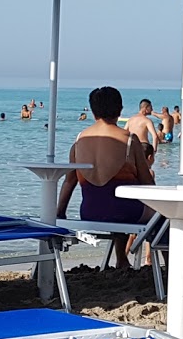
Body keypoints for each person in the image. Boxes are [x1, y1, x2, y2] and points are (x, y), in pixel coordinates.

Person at [57, 86, 155, 267]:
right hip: (126, 213)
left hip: (90, 212)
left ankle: (122, 258)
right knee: (163, 216)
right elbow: (146, 182)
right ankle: (166, 268)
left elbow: (69, 182)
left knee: (109, 200)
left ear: (93, 112)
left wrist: (59, 214)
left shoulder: (79, 141)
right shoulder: (129, 140)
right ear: (120, 110)